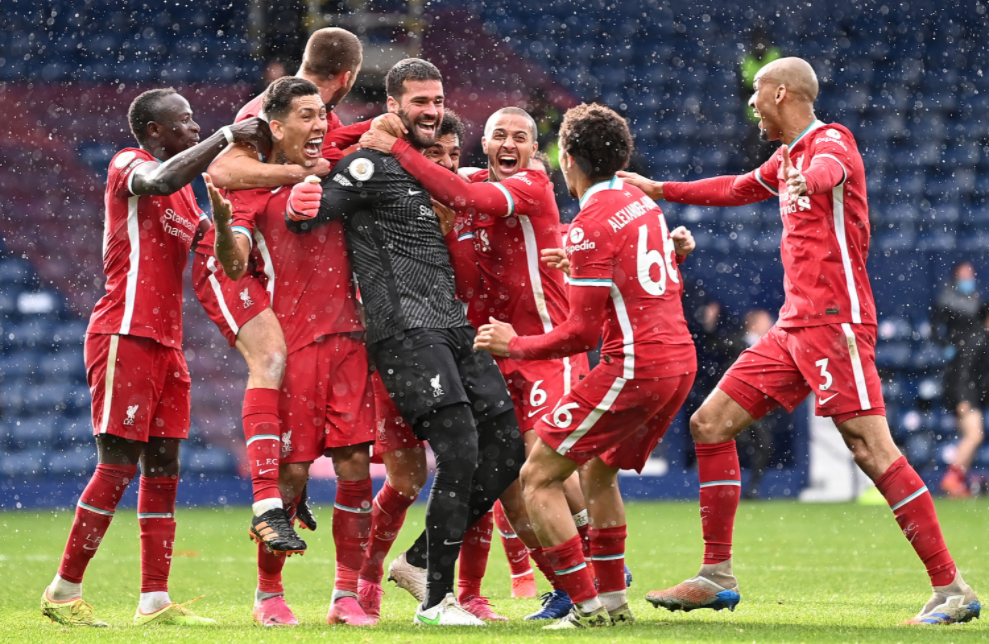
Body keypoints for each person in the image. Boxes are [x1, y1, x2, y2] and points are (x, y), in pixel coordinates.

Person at [620, 56, 981, 626]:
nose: (752, 105)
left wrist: (807, 179)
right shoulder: (785, 157)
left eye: (758, 95)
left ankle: (952, 588)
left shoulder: (829, 141)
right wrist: (659, 188)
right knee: (709, 424)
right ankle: (716, 575)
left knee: (871, 448)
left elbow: (832, 170)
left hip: (835, 324)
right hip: (793, 328)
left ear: (782, 93)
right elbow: (735, 189)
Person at [286, 58, 524, 627]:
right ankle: (437, 604)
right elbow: (312, 211)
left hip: (452, 325)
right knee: (460, 448)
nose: (431, 111)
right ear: (393, 105)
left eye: (436, 101)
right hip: (404, 331)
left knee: (507, 447)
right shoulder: (370, 162)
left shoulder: (422, 166)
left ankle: (418, 561)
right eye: (419, 101)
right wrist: (301, 200)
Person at [359, 105, 598, 621]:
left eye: (520, 136)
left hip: (545, 345)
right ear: (485, 146)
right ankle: (565, 586)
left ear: (536, 150)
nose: (509, 143)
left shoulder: (529, 185)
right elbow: (449, 187)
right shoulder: (459, 189)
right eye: (499, 135)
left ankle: (599, 569)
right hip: (492, 352)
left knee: (547, 466)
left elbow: (463, 193)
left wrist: (393, 146)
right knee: (509, 483)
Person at [40, 88, 268, 627]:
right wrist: (226, 137)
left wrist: (238, 226)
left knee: (164, 466)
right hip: (125, 332)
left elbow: (228, 262)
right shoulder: (130, 164)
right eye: (184, 122)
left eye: (196, 121)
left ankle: (154, 601)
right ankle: (62, 591)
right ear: (155, 131)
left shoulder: (188, 200)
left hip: (167, 344)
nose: (194, 128)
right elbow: (160, 179)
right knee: (117, 463)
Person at [474, 103, 698, 629]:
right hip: (677, 361)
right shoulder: (640, 204)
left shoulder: (588, 222)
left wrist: (514, 344)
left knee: (538, 479)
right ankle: (614, 602)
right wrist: (583, 263)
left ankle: (586, 606)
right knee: (598, 474)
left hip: (634, 366)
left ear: (566, 159)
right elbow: (657, 283)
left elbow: (580, 334)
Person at [191, 27, 369, 566]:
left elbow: (335, 151)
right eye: (307, 119)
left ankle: (286, 491)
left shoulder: (322, 120)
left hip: (268, 264)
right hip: (226, 255)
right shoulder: (266, 110)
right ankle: (267, 502)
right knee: (270, 355)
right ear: (350, 76)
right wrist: (299, 173)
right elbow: (221, 170)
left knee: (290, 373)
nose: (317, 124)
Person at [933, 261, 986, 497]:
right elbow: (962, 371)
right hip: (964, 394)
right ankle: (952, 479)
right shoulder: (975, 339)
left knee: (974, 435)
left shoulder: (979, 337)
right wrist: (962, 400)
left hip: (969, 393)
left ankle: (957, 480)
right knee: (974, 435)